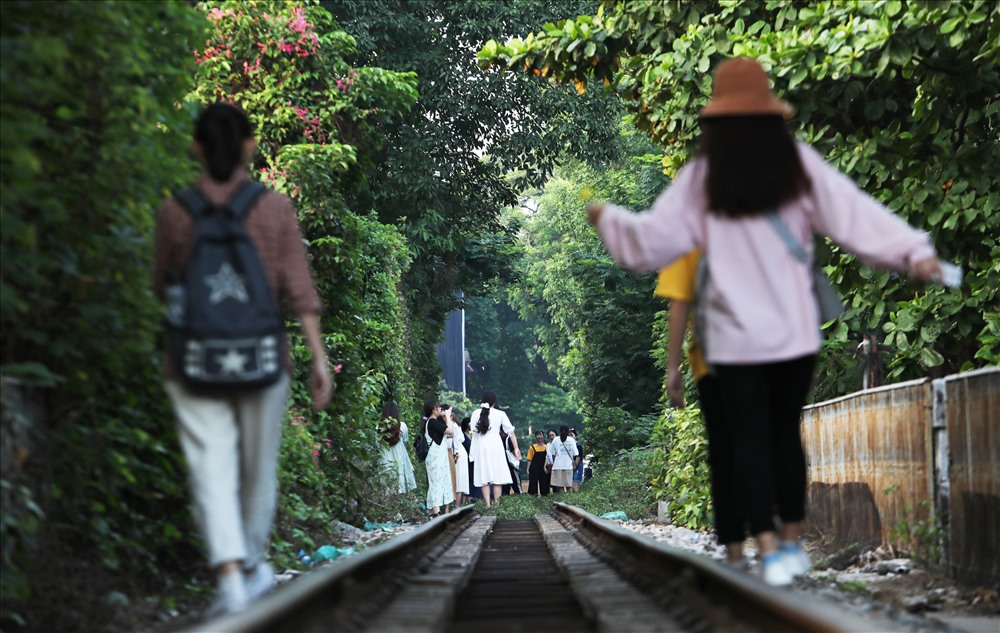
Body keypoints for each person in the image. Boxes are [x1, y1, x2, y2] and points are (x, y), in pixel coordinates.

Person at [588, 58, 942, 585]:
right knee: (783, 432)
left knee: (749, 438)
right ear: (771, 116)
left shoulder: (701, 179)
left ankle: (770, 545)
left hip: (731, 341)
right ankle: (792, 541)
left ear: (717, 123)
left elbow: (651, 242)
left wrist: (608, 219)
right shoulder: (796, 166)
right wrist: (913, 250)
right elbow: (854, 215)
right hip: (794, 333)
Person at [153, 103, 331, 616]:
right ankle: (253, 564)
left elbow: (161, 286)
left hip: (192, 362)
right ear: (251, 147)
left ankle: (230, 577)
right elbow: (299, 291)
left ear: (196, 148)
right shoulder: (273, 209)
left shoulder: (174, 212)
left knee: (210, 466)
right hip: (262, 358)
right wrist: (318, 358)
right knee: (257, 467)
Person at [656, 251, 746, 567]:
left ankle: (735, 544)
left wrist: (673, 368)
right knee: (762, 440)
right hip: (763, 354)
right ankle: (767, 535)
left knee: (723, 448)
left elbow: (679, 303)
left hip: (713, 360)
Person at [469, 391, 519, 507]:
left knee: (484, 476)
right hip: (496, 445)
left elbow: (473, 431)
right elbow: (510, 432)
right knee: (498, 476)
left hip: (482, 446)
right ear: (494, 401)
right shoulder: (500, 414)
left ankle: (487, 504)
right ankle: (497, 504)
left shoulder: (476, 413)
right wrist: (516, 448)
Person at [422, 400, 454, 517]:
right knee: (436, 482)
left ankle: (432, 511)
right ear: (433, 409)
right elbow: (450, 430)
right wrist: (449, 417)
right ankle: (436, 511)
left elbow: (451, 434)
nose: (440, 409)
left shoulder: (435, 422)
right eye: (438, 407)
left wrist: (446, 418)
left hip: (438, 458)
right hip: (435, 458)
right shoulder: (432, 422)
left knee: (436, 482)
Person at [378, 402, 416, 495]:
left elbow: (377, 444)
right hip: (399, 458)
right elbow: (405, 441)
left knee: (386, 485)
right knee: (400, 482)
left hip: (385, 458)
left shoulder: (378, 428)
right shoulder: (402, 426)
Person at [443, 405, 470, 507]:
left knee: (458, 481)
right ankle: (458, 506)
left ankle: (456, 507)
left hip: (456, 452)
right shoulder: (456, 423)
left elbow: (456, 439)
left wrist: (456, 453)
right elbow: (462, 438)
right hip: (460, 451)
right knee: (460, 480)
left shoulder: (451, 425)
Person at [546, 425, 579, 493]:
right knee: (569, 486)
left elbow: (553, 454)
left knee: (560, 487)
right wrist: (575, 463)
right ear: (568, 432)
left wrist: (554, 463)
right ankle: (569, 501)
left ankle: (562, 500)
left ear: (559, 432)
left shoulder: (556, 439)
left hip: (558, 466)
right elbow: (576, 453)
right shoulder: (571, 440)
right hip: (568, 466)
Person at [526, 431, 550, 496]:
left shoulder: (547, 447)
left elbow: (548, 457)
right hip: (534, 467)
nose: (539, 436)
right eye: (537, 435)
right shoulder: (532, 447)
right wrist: (528, 469)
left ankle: (545, 497)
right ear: (535, 437)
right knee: (533, 483)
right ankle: (533, 497)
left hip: (544, 467)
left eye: (541, 435)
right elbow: (529, 459)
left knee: (544, 483)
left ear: (543, 436)